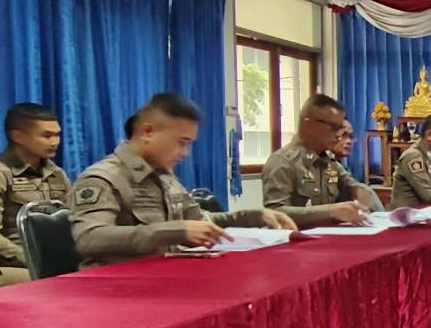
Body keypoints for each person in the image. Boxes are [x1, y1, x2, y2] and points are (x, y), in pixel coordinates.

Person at [70, 93, 294, 267]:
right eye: (181, 142)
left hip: (163, 280)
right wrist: (173, 231)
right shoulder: (104, 178)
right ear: (147, 132)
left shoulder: (164, 176)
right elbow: (89, 238)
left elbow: (200, 222)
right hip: (115, 290)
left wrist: (254, 216)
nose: (185, 153)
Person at [0, 102, 71, 284]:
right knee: (59, 283)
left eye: (57, 135)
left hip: (55, 259)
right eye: (46, 135)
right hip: (11, 262)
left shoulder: (56, 173)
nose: (54, 142)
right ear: (17, 136)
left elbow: (72, 219)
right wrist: (36, 259)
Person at [260, 95, 377, 225]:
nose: (338, 135)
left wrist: (363, 196)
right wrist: (330, 211)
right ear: (309, 125)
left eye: (340, 128)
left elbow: (355, 188)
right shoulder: (282, 161)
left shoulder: (329, 163)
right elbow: (275, 213)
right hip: (295, 236)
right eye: (334, 127)